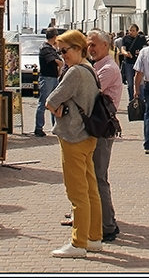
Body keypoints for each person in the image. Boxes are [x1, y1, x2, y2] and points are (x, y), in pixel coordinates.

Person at [44, 30, 104, 258]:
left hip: (73, 136)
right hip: (88, 135)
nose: (62, 56)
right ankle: (94, 237)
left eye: (64, 51)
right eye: (60, 51)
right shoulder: (90, 69)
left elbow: (51, 100)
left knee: (77, 192)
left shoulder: (75, 73)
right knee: (90, 190)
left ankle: (78, 242)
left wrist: (57, 109)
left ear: (78, 48)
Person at [87, 29, 122, 242]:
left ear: (105, 46)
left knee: (99, 176)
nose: (89, 49)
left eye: (93, 45)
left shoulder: (108, 68)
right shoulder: (95, 66)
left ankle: (108, 224)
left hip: (102, 128)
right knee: (91, 175)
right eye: (87, 45)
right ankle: (90, 216)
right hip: (95, 127)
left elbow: (88, 92)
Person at [35, 29, 64, 137]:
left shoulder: (52, 48)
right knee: (43, 103)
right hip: (47, 78)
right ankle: (38, 128)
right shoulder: (45, 48)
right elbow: (58, 62)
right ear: (54, 36)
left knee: (55, 102)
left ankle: (55, 127)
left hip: (53, 78)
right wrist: (60, 67)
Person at [119, 25, 149, 102]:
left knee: (140, 83)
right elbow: (123, 48)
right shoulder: (125, 38)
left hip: (139, 63)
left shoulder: (141, 38)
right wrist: (126, 54)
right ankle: (132, 100)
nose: (131, 32)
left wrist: (141, 53)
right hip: (128, 63)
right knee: (130, 84)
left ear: (137, 31)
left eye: (133, 30)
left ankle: (141, 100)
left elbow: (145, 48)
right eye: (130, 30)